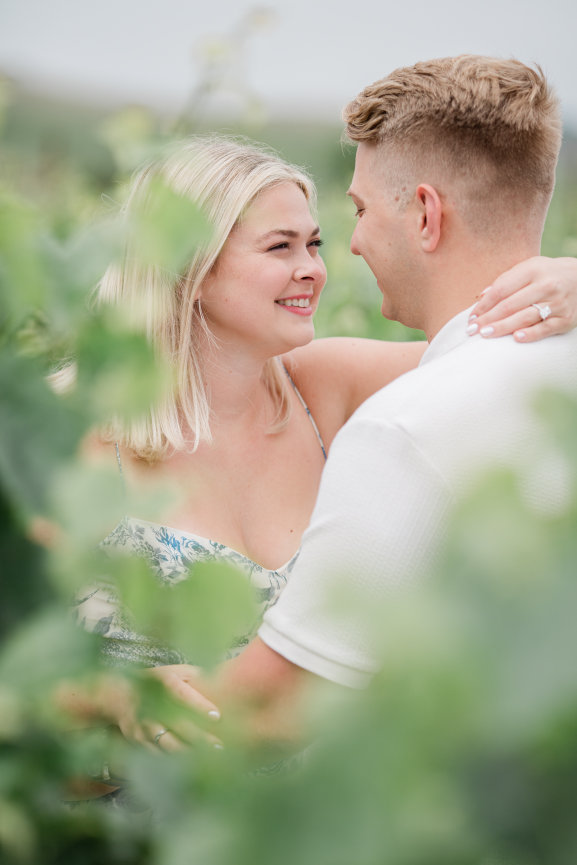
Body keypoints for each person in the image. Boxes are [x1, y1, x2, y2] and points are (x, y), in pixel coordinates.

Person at [148, 56, 577, 747]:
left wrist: (127, 706)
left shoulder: (399, 426)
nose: (345, 248)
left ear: (427, 215)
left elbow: (274, 710)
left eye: (358, 211)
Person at [75, 134, 575, 678]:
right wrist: (119, 701)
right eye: (279, 247)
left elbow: (496, 348)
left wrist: (571, 277)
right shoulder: (79, 425)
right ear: (188, 267)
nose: (314, 269)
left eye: (313, 244)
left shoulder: (325, 384)